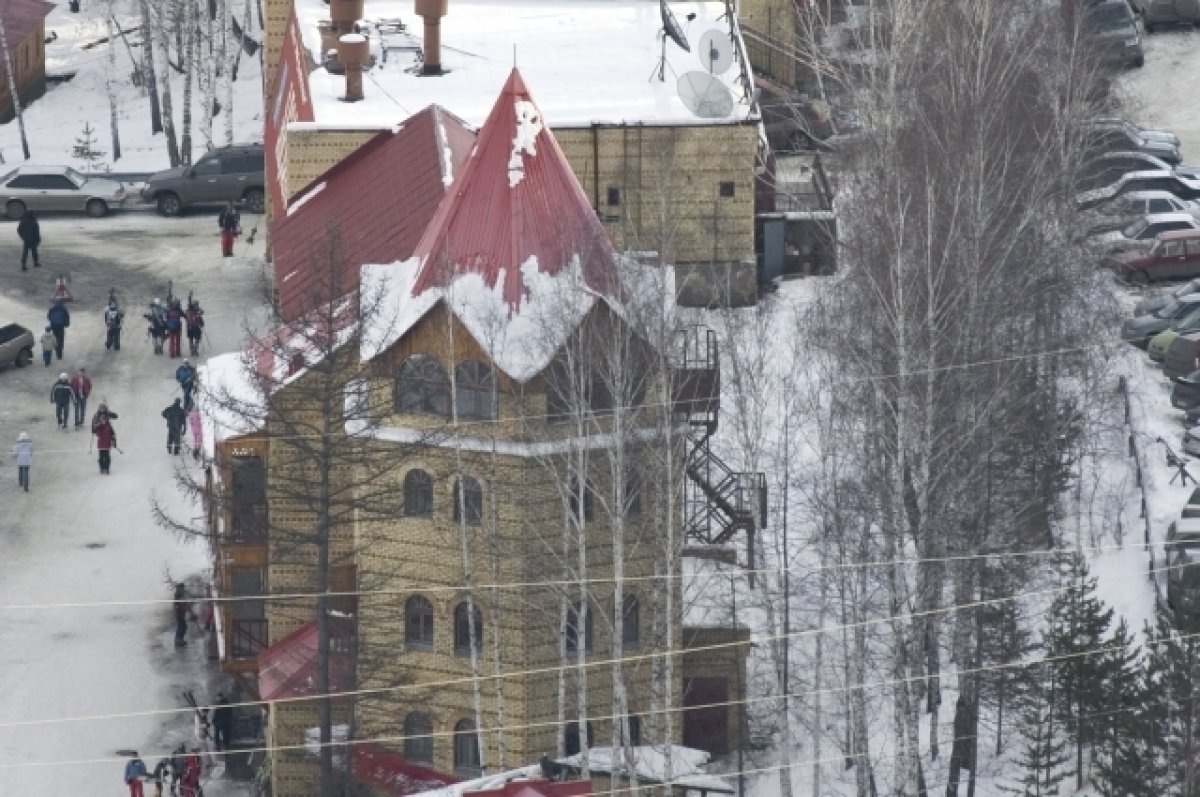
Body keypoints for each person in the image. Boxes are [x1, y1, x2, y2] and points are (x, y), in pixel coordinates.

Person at [91, 403, 118, 474]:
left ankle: (106, 468)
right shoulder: (97, 416)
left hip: (107, 439)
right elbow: (94, 427)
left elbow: (115, 416)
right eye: (101, 409)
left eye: (103, 408)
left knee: (107, 456)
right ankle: (102, 468)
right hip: (101, 439)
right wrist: (99, 425)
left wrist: (113, 440)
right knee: (101, 456)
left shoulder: (107, 417)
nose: (102, 410)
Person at [173, 583, 190, 647]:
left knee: (183, 626)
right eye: (182, 588)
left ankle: (180, 639)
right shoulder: (177, 596)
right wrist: (175, 613)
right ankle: (178, 639)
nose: (183, 589)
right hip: (179, 613)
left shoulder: (181, 595)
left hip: (181, 613)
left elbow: (185, 604)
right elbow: (176, 605)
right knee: (182, 626)